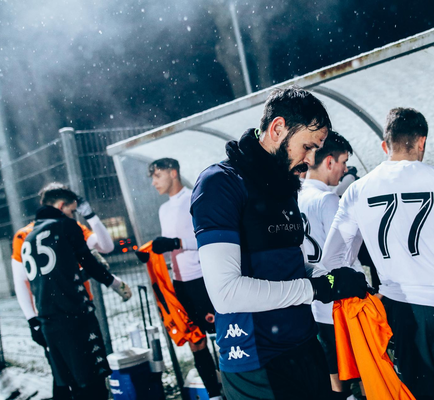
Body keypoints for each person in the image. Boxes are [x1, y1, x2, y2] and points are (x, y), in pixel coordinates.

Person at [190, 86, 371, 400]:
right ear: (277, 129)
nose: (311, 160)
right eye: (307, 146)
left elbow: (290, 266)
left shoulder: (284, 184)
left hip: (304, 345)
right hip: (257, 362)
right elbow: (226, 294)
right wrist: (316, 289)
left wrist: (331, 278)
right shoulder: (220, 183)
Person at [322, 107, 434, 400]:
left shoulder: (357, 190)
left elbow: (332, 259)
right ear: (422, 142)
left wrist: (367, 293)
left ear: (385, 146)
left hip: (401, 313)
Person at [20, 185, 132, 399]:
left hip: (49, 324)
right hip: (75, 319)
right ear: (62, 206)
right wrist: (115, 284)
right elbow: (88, 261)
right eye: (72, 211)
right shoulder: (65, 225)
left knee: (72, 388)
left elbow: (52, 280)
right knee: (94, 387)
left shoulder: (29, 239)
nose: (72, 216)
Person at [148, 157, 222, 400]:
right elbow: (170, 245)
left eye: (157, 175)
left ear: (173, 173)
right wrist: (151, 251)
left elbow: (208, 238)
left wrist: (176, 243)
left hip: (202, 279)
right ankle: (214, 394)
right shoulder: (163, 209)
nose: (154, 182)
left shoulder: (194, 197)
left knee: (221, 335)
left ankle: (234, 388)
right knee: (195, 341)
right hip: (180, 284)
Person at [298, 130, 358, 398]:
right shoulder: (327, 199)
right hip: (338, 302)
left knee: (333, 375)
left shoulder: (294, 196)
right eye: (343, 162)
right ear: (329, 161)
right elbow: (346, 254)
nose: (344, 170)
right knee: (359, 373)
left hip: (312, 301)